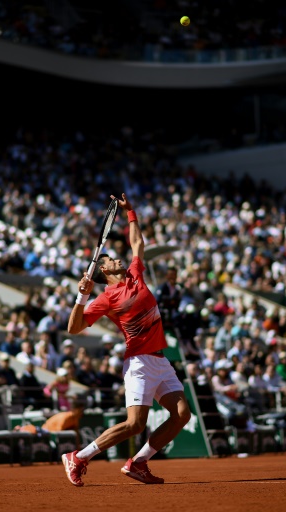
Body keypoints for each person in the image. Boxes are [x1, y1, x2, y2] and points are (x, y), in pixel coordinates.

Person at [62, 193, 191, 487]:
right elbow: (74, 327)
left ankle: (139, 462)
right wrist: (82, 296)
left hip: (160, 360)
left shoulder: (135, 274)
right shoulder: (106, 298)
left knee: (182, 414)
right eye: (109, 258)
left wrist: (131, 212)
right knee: (135, 424)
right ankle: (79, 457)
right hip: (138, 363)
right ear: (104, 270)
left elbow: (138, 243)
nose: (116, 257)